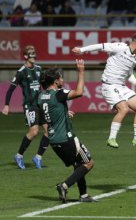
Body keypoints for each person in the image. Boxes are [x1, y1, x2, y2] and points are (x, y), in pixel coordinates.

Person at [71, 32, 136, 149]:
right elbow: (101, 46)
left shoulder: (133, 58)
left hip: (121, 86)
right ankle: (111, 138)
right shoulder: (120, 47)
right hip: (109, 85)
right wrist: (81, 50)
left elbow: (129, 74)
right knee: (123, 109)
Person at [38, 59, 96, 203]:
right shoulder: (58, 93)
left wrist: (64, 113)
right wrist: (81, 71)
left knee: (78, 165)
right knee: (88, 163)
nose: (62, 79)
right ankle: (64, 186)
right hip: (67, 138)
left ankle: (83, 195)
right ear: (55, 81)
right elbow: (79, 92)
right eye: (60, 77)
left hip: (54, 140)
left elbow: (44, 118)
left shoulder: (41, 97)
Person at [2, 45, 49, 169]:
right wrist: (6, 105)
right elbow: (10, 90)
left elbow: (45, 86)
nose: (34, 56)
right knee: (34, 132)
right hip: (30, 106)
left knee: (49, 131)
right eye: (31, 54)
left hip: (40, 104)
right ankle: (19, 155)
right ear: (25, 56)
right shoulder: (21, 72)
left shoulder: (39, 69)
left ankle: (38, 157)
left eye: (35, 53)